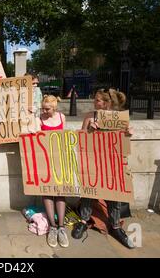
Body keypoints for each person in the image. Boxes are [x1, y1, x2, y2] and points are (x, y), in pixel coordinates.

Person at [72, 88, 135, 249]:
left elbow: (122, 140)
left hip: (112, 162)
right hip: (92, 160)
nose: (95, 102)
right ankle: (84, 221)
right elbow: (81, 138)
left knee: (113, 193)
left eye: (98, 100)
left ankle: (115, 226)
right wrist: (89, 130)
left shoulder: (118, 118)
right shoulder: (89, 116)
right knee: (88, 191)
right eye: (95, 100)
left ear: (106, 103)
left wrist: (128, 133)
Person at [35, 95, 69, 248]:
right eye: (43, 108)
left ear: (54, 107)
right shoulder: (39, 118)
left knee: (60, 191)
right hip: (45, 159)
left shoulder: (62, 117)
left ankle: (61, 227)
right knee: (47, 192)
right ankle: (52, 227)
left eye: (47, 108)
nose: (44, 110)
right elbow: (34, 136)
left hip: (59, 159)